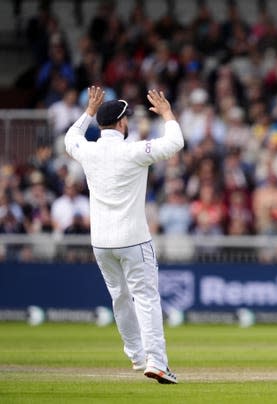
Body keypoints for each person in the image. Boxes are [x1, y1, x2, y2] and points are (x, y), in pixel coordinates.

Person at [64, 86, 183, 384]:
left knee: (119, 298)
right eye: (126, 118)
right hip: (134, 239)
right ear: (120, 123)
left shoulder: (88, 150)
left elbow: (70, 138)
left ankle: (136, 354)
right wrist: (167, 112)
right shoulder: (133, 151)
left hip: (101, 242)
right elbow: (175, 142)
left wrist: (88, 111)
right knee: (145, 298)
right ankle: (156, 361)